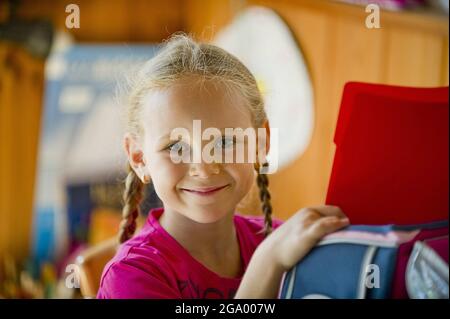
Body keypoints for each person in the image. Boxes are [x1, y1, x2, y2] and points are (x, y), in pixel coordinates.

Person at [97, 33, 349, 299]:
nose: (204, 168)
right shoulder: (130, 276)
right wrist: (268, 263)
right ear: (139, 158)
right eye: (175, 147)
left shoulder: (282, 240)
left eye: (226, 142)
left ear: (260, 143)